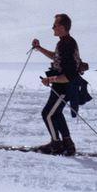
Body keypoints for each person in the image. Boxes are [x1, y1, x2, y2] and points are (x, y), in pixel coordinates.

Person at [32, 13, 82, 156]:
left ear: (61, 27)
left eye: (54, 25)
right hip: (61, 87)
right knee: (55, 113)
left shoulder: (67, 44)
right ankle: (68, 144)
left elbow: (68, 76)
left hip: (64, 87)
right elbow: (57, 57)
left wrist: (50, 80)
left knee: (47, 114)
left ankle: (56, 144)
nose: (52, 27)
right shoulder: (64, 42)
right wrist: (39, 48)